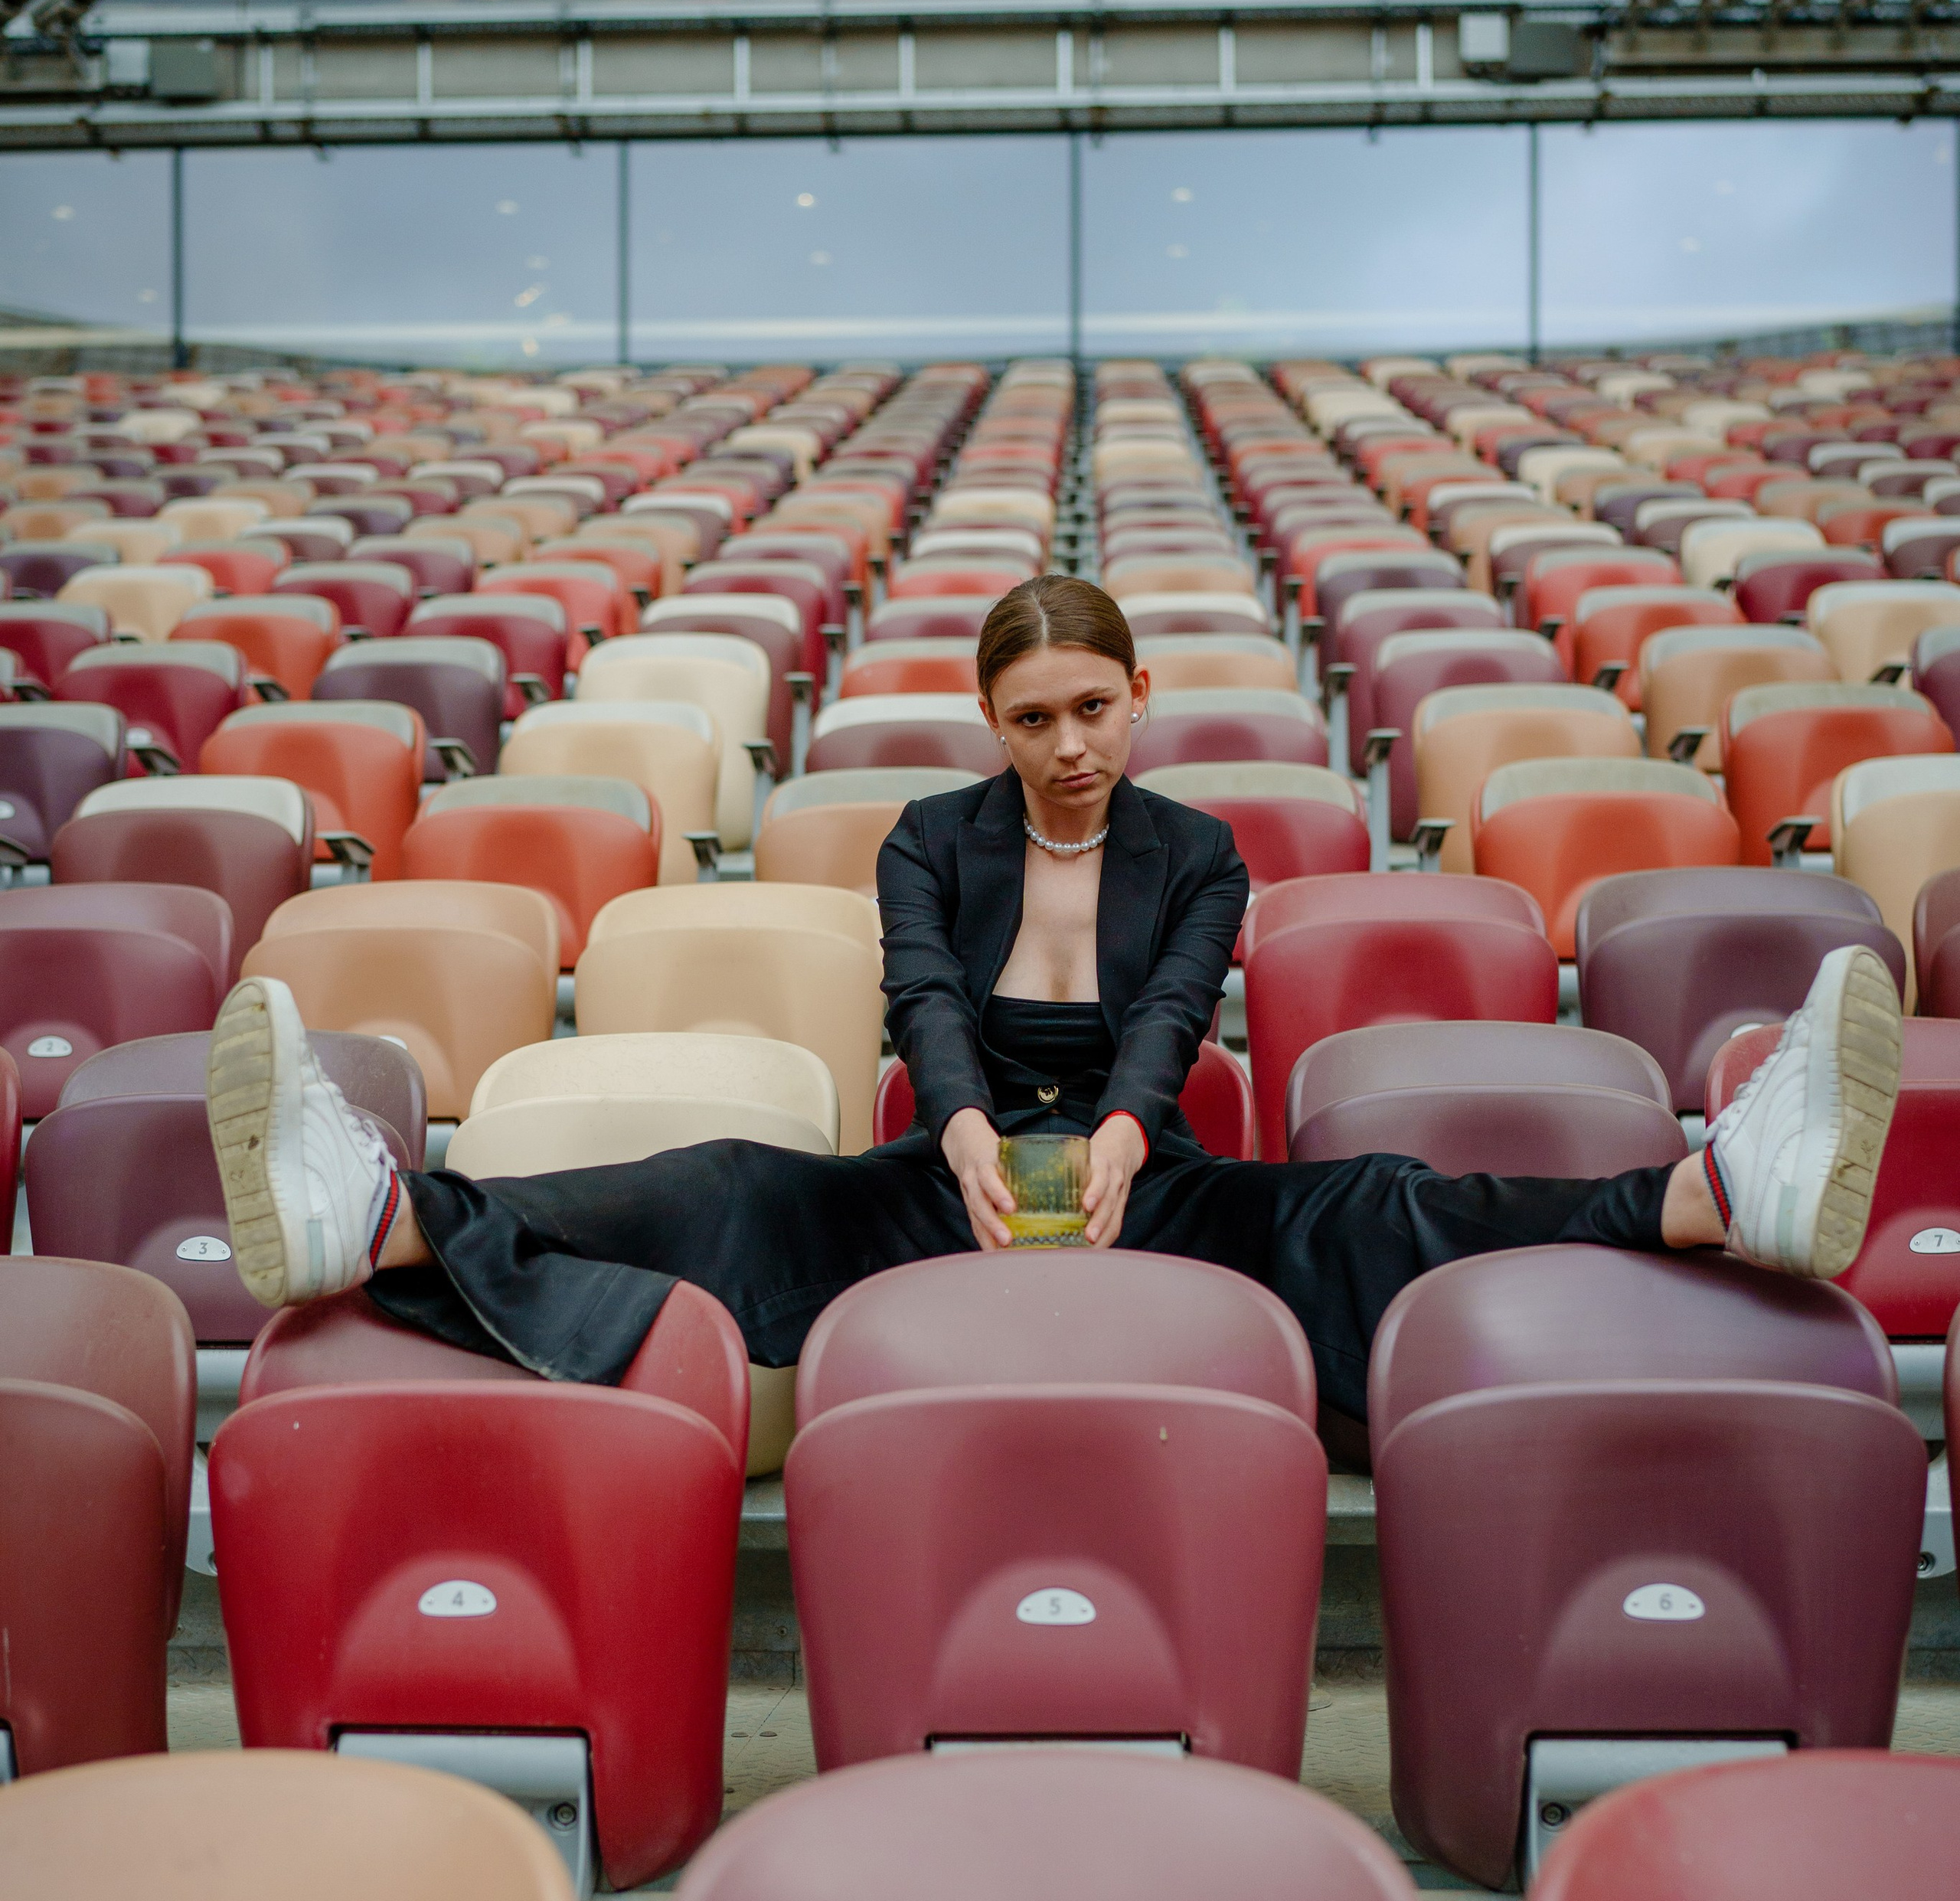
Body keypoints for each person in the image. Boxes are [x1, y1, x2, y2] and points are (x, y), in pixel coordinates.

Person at [206, 575, 1904, 1430]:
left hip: (1133, 1176)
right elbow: (923, 1003)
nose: (1070, 745)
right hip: (946, 1176)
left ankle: (1717, 1190)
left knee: (1380, 1198)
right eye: (1033, 720)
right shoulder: (926, 840)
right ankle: (375, 1214)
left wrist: (1121, 1139)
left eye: (1094, 708)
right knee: (723, 1182)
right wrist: (957, 1131)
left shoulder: (1202, 851)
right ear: (993, 724)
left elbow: (1171, 1019)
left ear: (1139, 696)